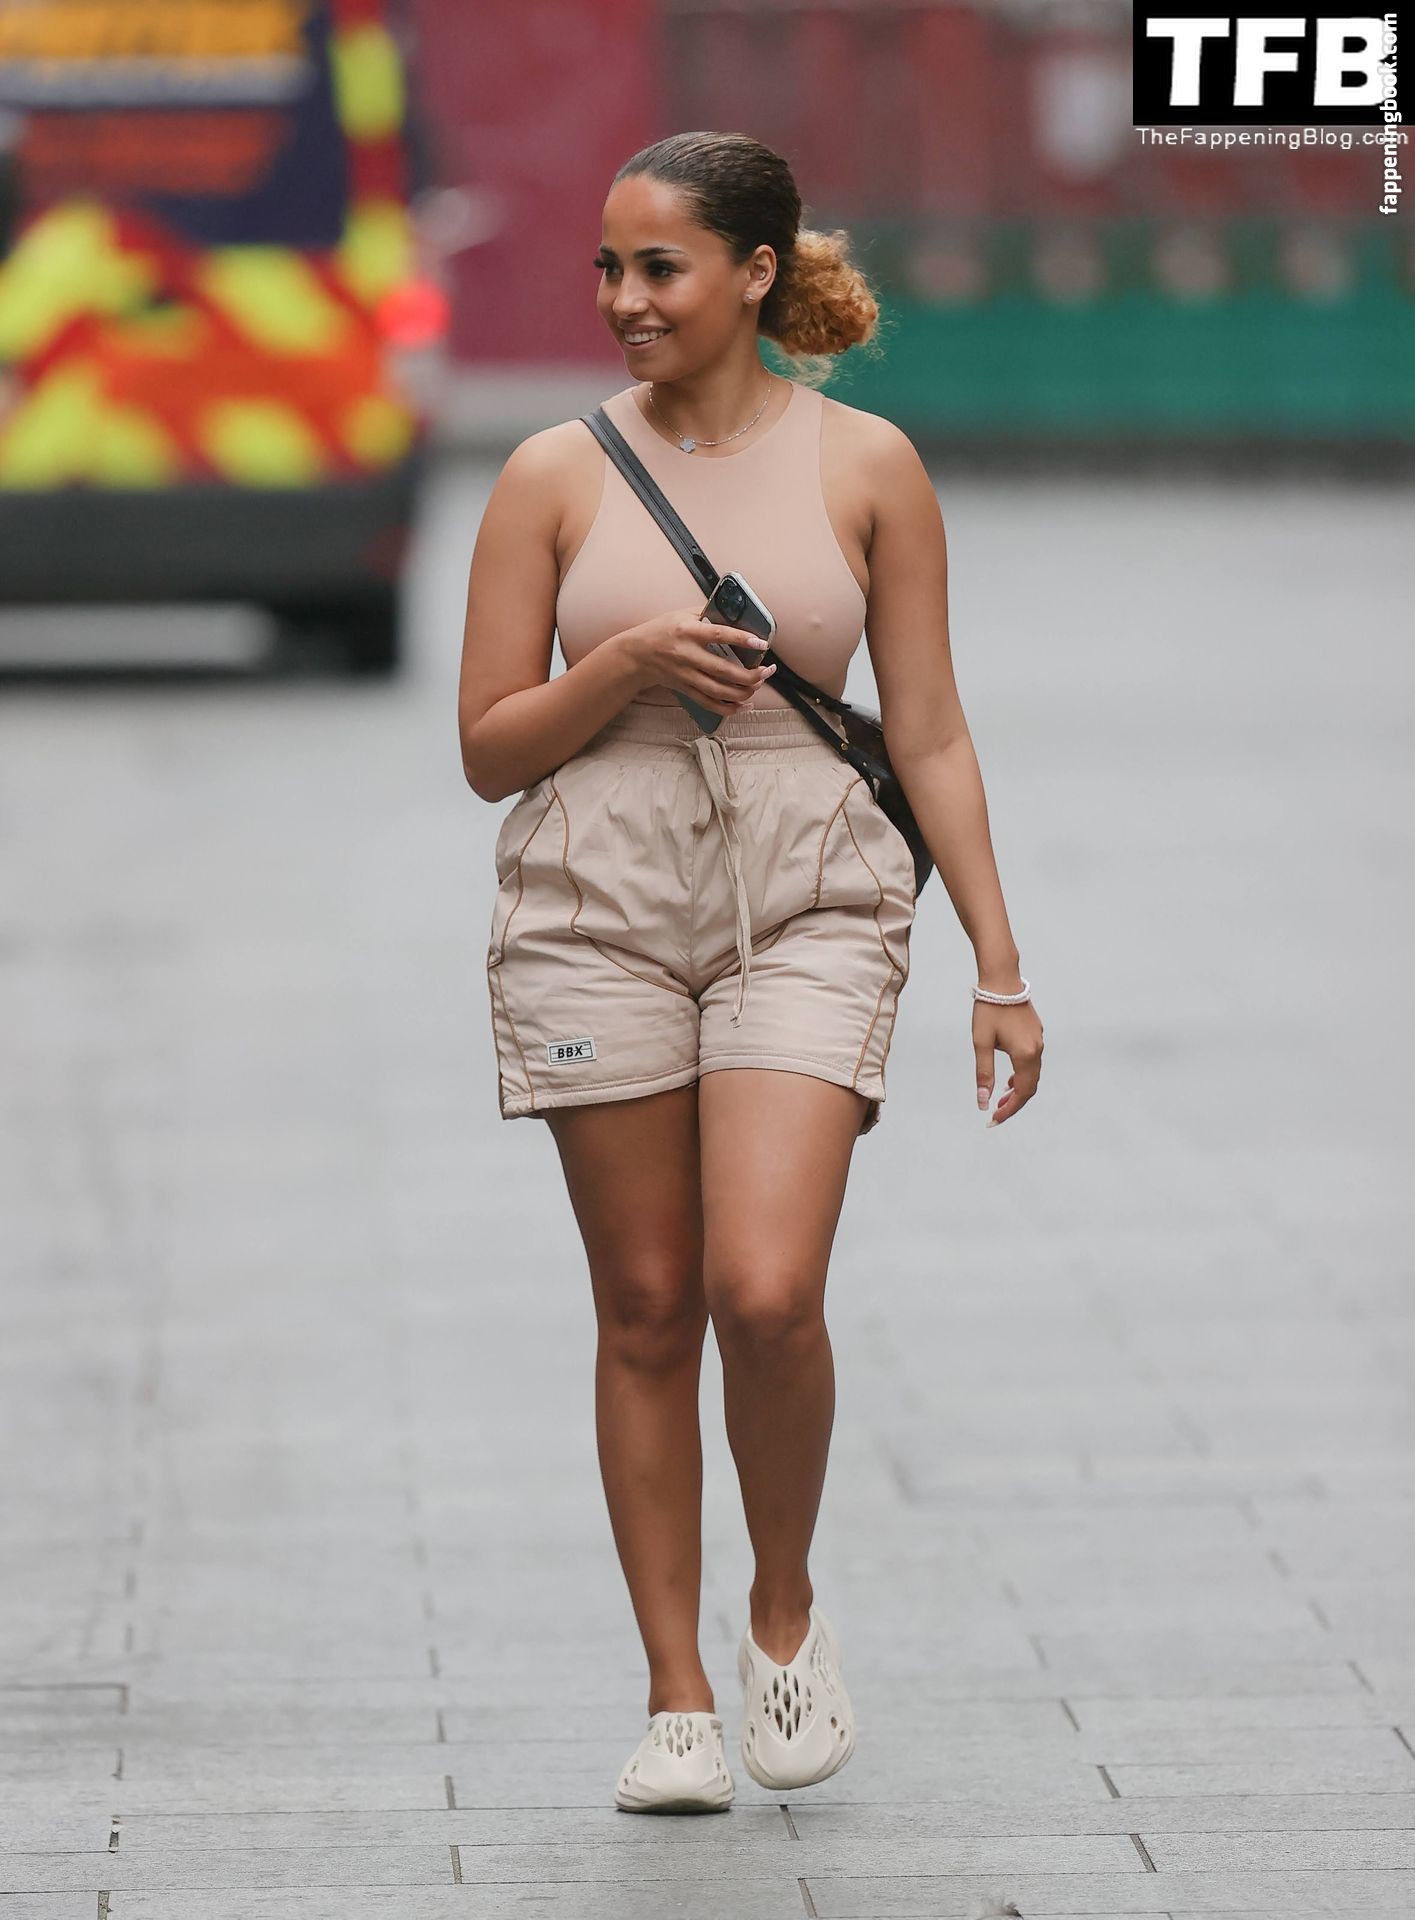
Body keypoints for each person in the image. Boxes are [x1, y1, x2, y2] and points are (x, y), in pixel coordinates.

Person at [458, 130, 1044, 1813]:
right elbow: (490, 747)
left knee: (765, 1290)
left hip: (811, 891)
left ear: (757, 273)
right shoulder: (552, 476)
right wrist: (630, 660)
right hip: (599, 898)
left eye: (660, 267)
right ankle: (678, 1698)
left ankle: (782, 1614)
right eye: (608, 267)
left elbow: (929, 730)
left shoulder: (868, 466)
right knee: (647, 1304)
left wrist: (999, 963)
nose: (624, 299)